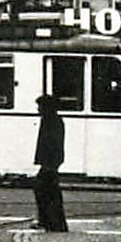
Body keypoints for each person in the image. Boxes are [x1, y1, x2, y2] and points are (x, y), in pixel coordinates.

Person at [33, 93, 68, 232]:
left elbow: (52, 144)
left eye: (40, 106)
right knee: (48, 192)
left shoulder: (51, 121)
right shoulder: (52, 120)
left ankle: (51, 222)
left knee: (45, 191)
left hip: (50, 163)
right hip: (50, 162)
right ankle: (52, 222)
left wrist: (49, 163)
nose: (38, 109)